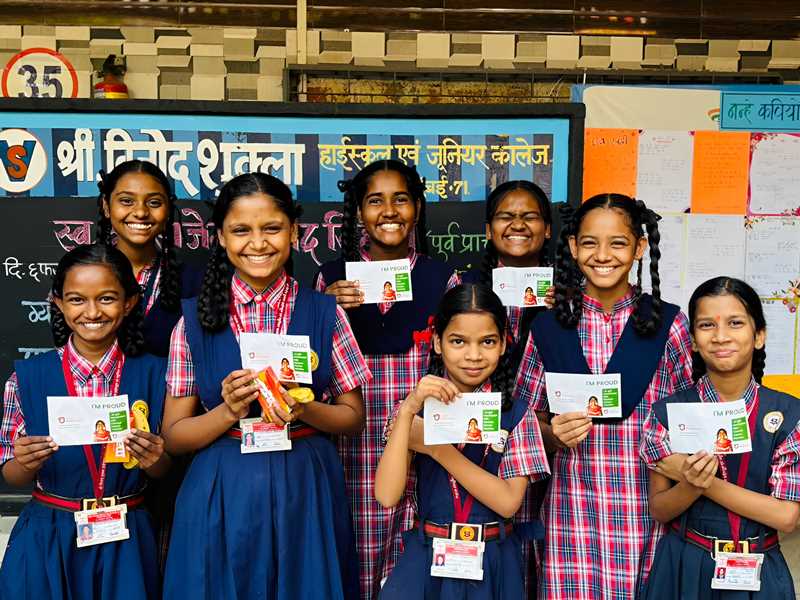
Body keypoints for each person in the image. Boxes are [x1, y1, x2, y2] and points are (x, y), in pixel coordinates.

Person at [161, 172, 371, 600]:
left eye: (271, 228)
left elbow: (353, 418)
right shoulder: (193, 321)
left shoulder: (325, 313)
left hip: (305, 485)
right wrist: (228, 410)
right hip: (223, 488)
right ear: (220, 236)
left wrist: (304, 409)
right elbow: (174, 435)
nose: (258, 243)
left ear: (293, 232)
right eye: (241, 230)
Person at [515, 194, 693, 599]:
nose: (603, 255)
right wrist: (552, 434)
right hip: (571, 515)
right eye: (590, 243)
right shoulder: (549, 326)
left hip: (647, 514)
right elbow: (524, 419)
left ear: (639, 247)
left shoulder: (669, 325)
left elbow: (687, 422)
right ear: (573, 246)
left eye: (618, 243)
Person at [0, 244, 170, 599]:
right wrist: (25, 462)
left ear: (129, 302)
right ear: (58, 303)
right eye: (77, 300)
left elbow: (164, 469)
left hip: (127, 533)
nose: (92, 312)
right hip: (50, 534)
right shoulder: (26, 379)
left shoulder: (158, 374)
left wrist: (154, 458)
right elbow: (11, 474)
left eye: (107, 298)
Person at [315, 159, 451, 598]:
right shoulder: (331, 279)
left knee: (416, 563)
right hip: (353, 446)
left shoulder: (440, 278)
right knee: (354, 556)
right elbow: (310, 369)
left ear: (417, 208)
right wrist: (323, 309)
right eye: (375, 201)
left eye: (401, 199)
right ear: (358, 211)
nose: (389, 211)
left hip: (423, 441)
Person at [376, 284, 550, 599]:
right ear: (437, 342)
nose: (473, 355)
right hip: (427, 557)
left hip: (493, 559)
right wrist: (408, 411)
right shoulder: (414, 412)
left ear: (503, 344)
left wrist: (435, 448)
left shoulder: (517, 415)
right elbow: (387, 495)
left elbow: (508, 502)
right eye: (458, 341)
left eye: (487, 342)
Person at [640, 276, 800, 600]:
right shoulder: (667, 413)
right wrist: (689, 484)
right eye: (707, 325)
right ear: (693, 341)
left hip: (759, 566)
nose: (721, 336)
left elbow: (786, 516)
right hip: (684, 564)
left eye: (735, 323)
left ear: (759, 335)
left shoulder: (789, 415)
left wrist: (702, 481)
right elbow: (659, 509)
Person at [447, 181, 554, 595]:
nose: (518, 225)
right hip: (477, 441)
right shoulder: (464, 287)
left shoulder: (567, 293)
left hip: (550, 445)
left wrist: (564, 314)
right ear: (489, 230)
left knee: (536, 553)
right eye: (506, 216)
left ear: (547, 229)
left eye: (530, 216)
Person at [96, 159, 204, 357]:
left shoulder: (194, 283)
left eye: (154, 202)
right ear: (106, 205)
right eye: (126, 201)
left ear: (168, 210)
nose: (140, 212)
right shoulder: (79, 275)